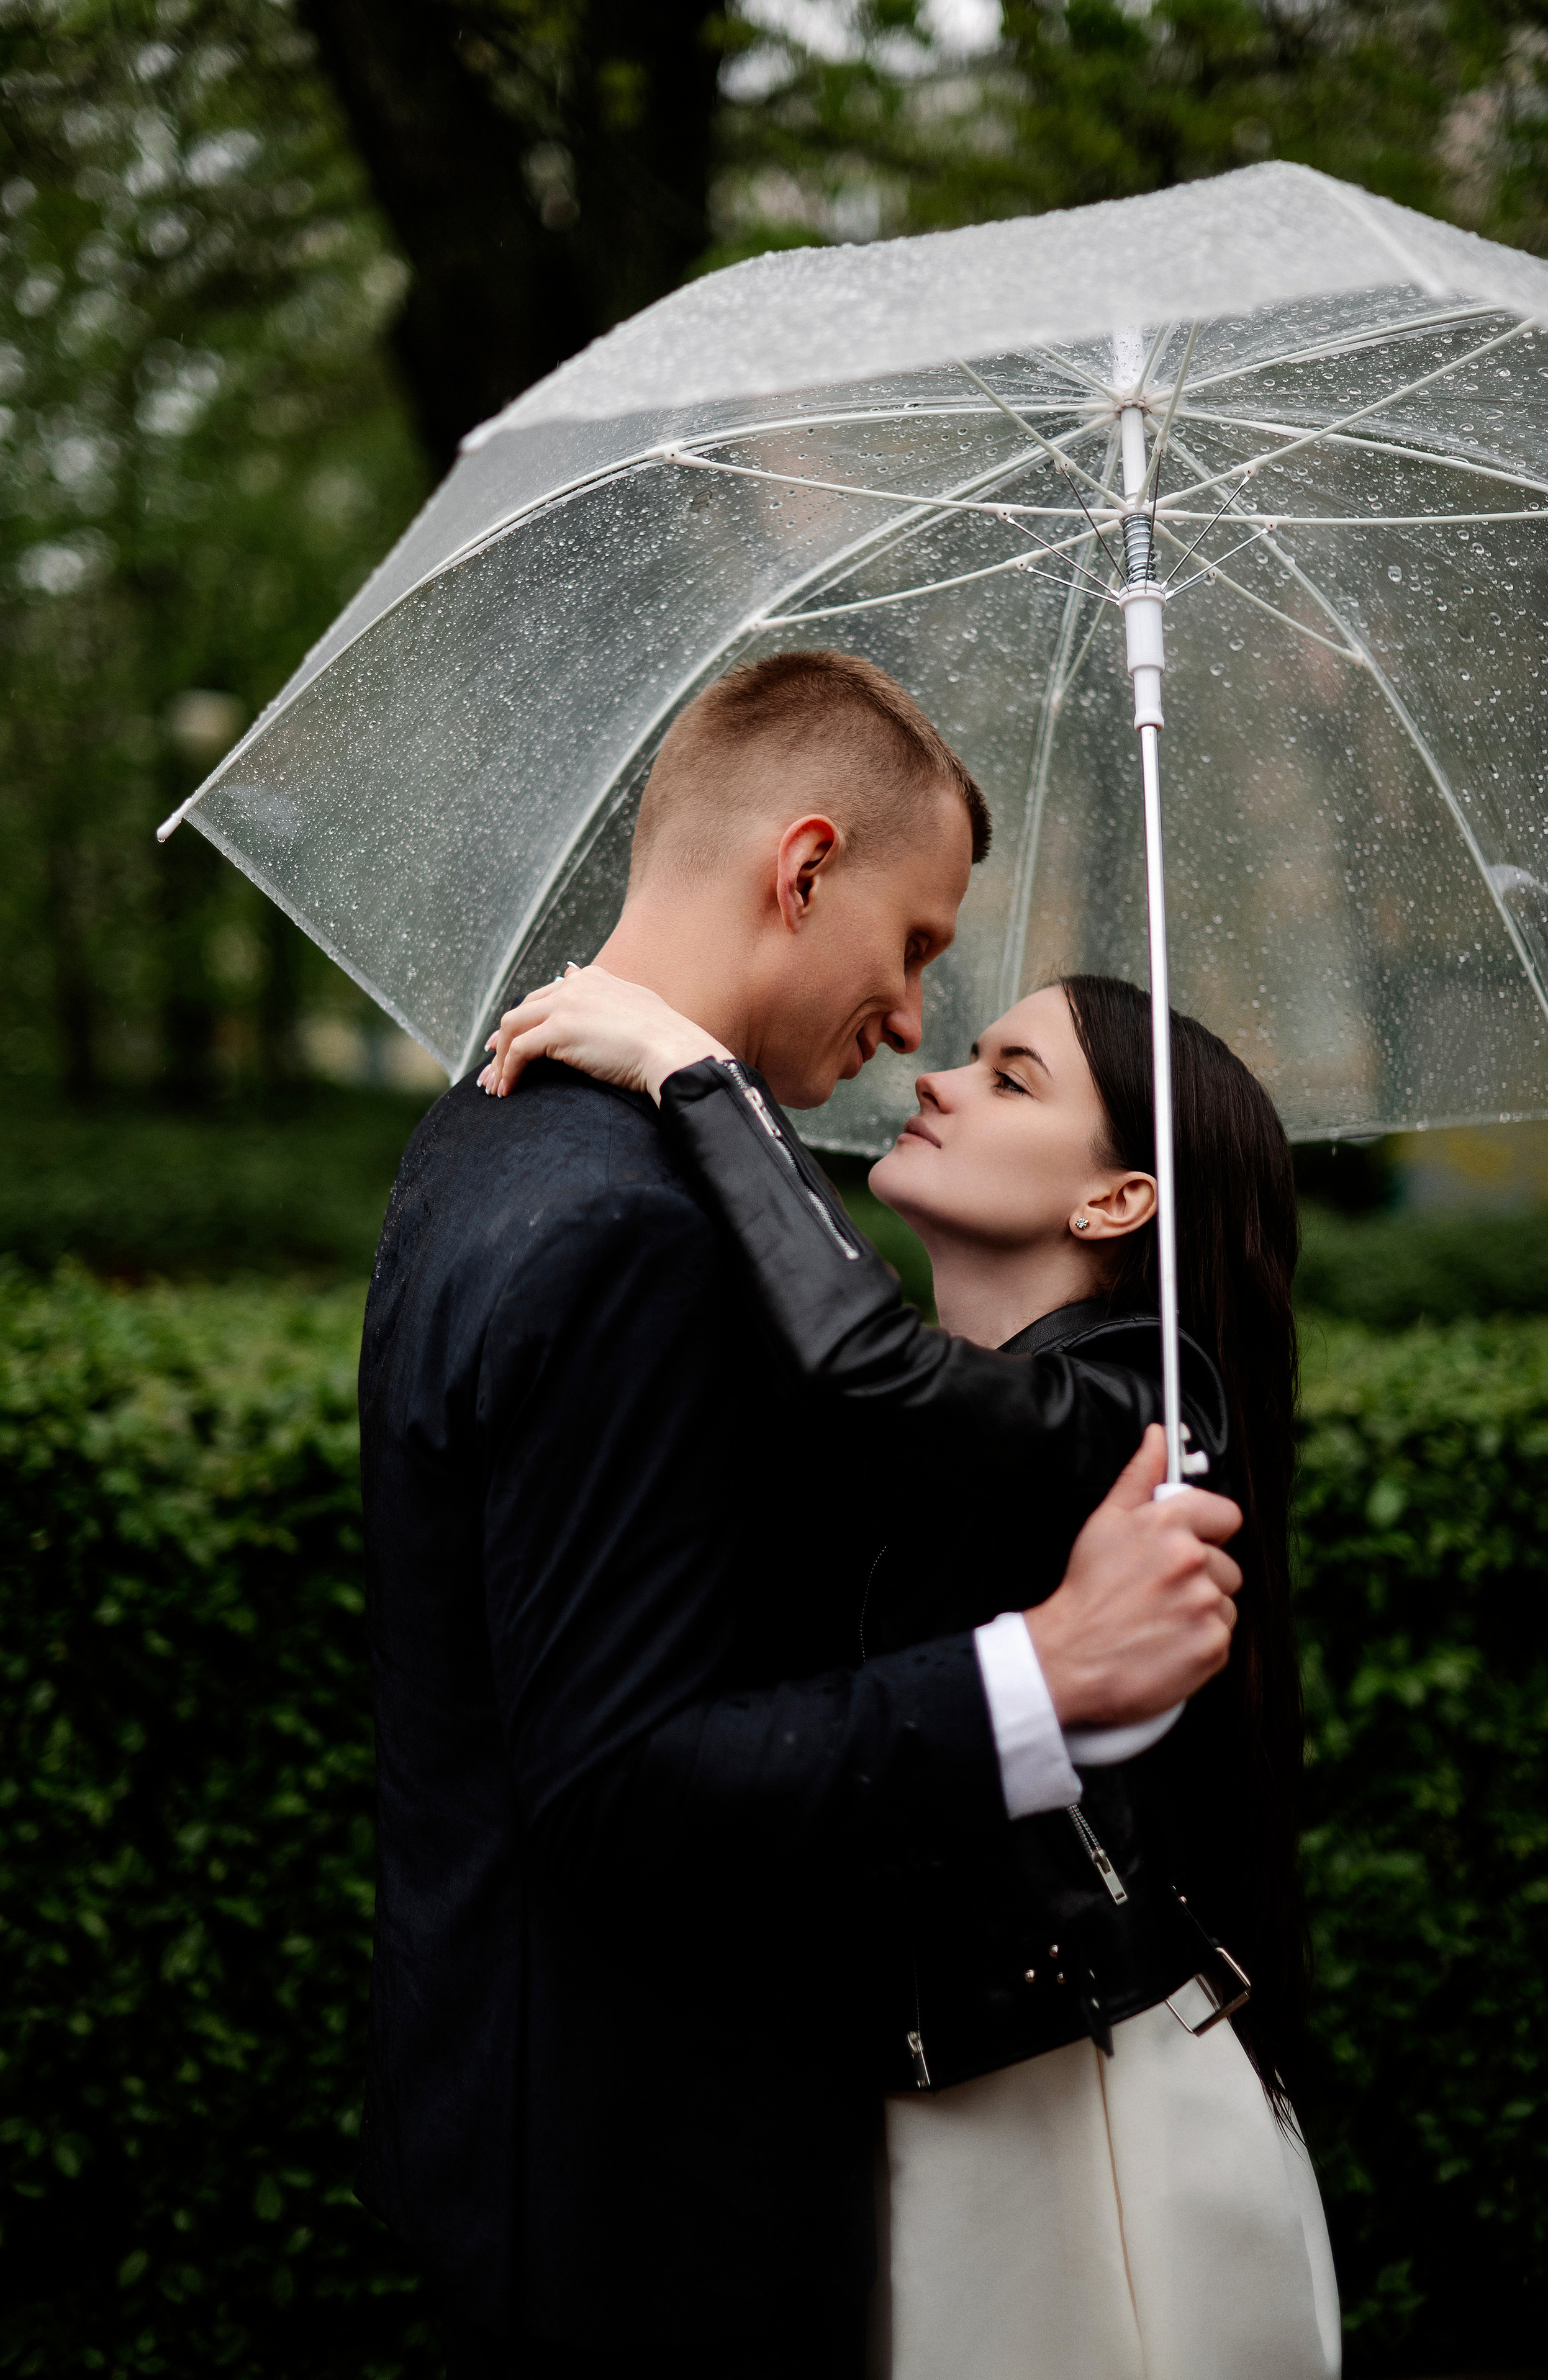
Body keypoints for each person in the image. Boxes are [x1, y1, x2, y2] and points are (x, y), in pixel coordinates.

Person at [358, 649, 1246, 2378]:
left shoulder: (484, 1140)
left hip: (540, 2119)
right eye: (916, 948)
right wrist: (1037, 1679)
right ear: (806, 864)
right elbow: (613, 1783)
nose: (916, 1026)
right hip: (656, 2176)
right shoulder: (636, 1229)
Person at [481, 957, 1342, 2379]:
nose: (933, 1074)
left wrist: (697, 1074)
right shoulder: (918, 1411)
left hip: (1062, 2103)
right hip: (876, 2097)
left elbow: (871, 1371)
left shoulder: (1157, 1405)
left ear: (1117, 1200)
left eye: (1011, 1076)